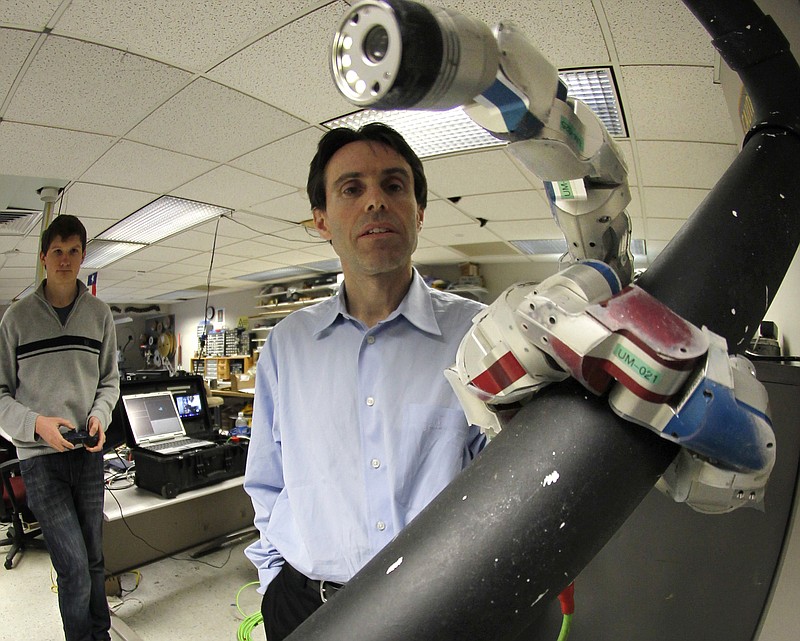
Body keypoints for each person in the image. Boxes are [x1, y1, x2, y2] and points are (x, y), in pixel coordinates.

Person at [243, 123, 487, 640]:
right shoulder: (288, 345)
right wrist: (272, 582)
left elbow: (503, 480)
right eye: (352, 188)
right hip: (306, 606)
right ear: (322, 220)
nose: (375, 200)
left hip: (440, 609)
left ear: (418, 212)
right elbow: (266, 480)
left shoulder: (479, 335)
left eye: (394, 185)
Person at [0, 214, 120, 641]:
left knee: (93, 558)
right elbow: (0, 396)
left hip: (87, 456)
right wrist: (36, 425)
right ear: (43, 258)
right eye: (57, 252)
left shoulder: (99, 315)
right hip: (40, 461)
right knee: (71, 565)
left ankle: (99, 634)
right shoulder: (16, 319)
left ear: (83, 256)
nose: (65, 260)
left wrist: (100, 417)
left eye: (73, 252)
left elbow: (109, 381)